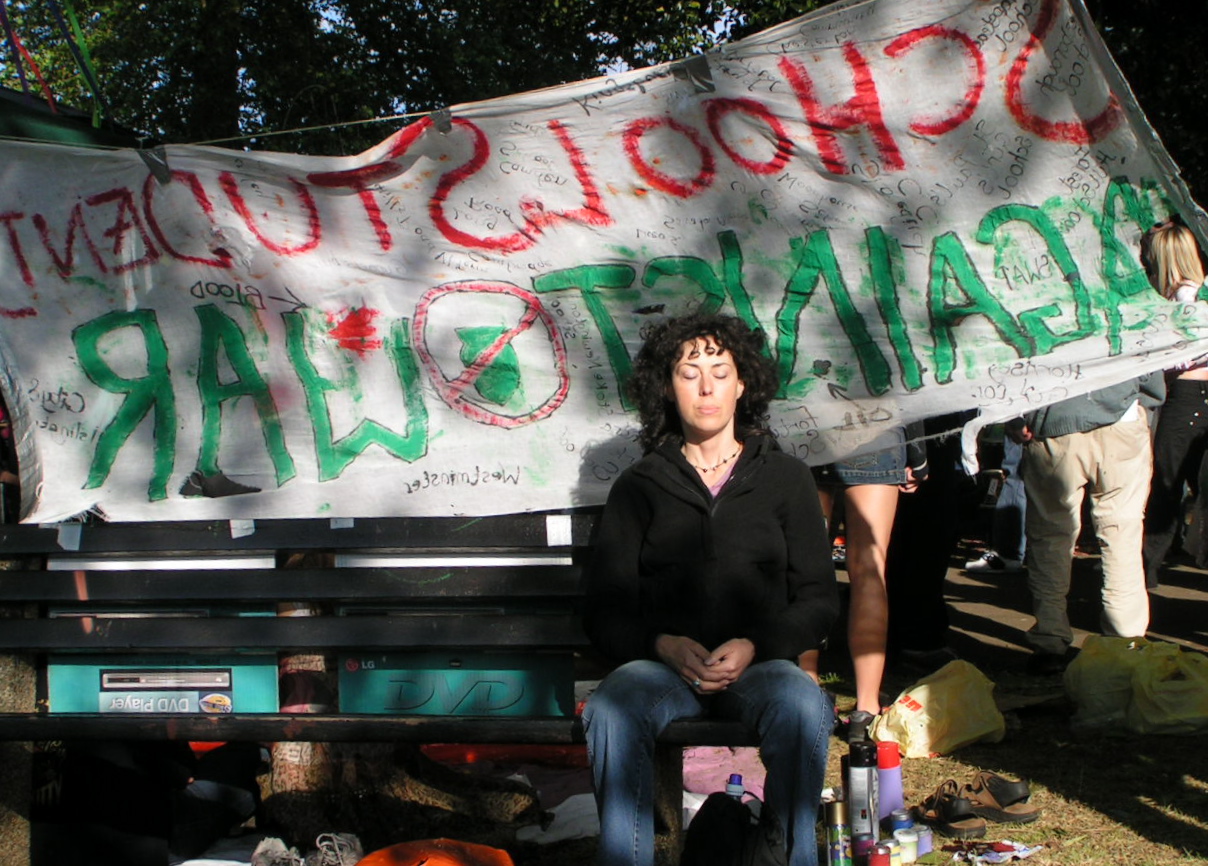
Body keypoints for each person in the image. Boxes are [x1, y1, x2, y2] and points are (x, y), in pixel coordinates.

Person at [582, 312, 838, 866]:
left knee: (800, 701)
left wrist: (757, 645)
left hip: (761, 670)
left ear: (742, 383)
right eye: (688, 371)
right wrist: (661, 644)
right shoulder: (640, 485)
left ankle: (785, 851)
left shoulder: (786, 478)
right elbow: (604, 610)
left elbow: (818, 599)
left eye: (719, 371)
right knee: (612, 705)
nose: (705, 387)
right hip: (664, 674)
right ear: (666, 388)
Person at [1007, 373, 1165, 675]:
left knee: (1050, 536)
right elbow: (1150, 361)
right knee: (1123, 534)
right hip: (1122, 416)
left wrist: (1014, 416)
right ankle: (1126, 642)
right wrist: (1144, 410)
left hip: (1054, 416)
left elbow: (1017, 355)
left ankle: (1050, 641)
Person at [801, 424, 926, 740]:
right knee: (869, 570)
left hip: (804, 430)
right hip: (876, 432)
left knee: (806, 567)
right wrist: (918, 453)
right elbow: (906, 381)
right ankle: (866, 706)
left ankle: (806, 688)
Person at [1141, 220, 1208, 589]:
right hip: (1199, 399)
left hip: (1185, 399)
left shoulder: (1180, 299)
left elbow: (1177, 359)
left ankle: (1146, 573)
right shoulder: (1204, 291)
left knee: (1166, 487)